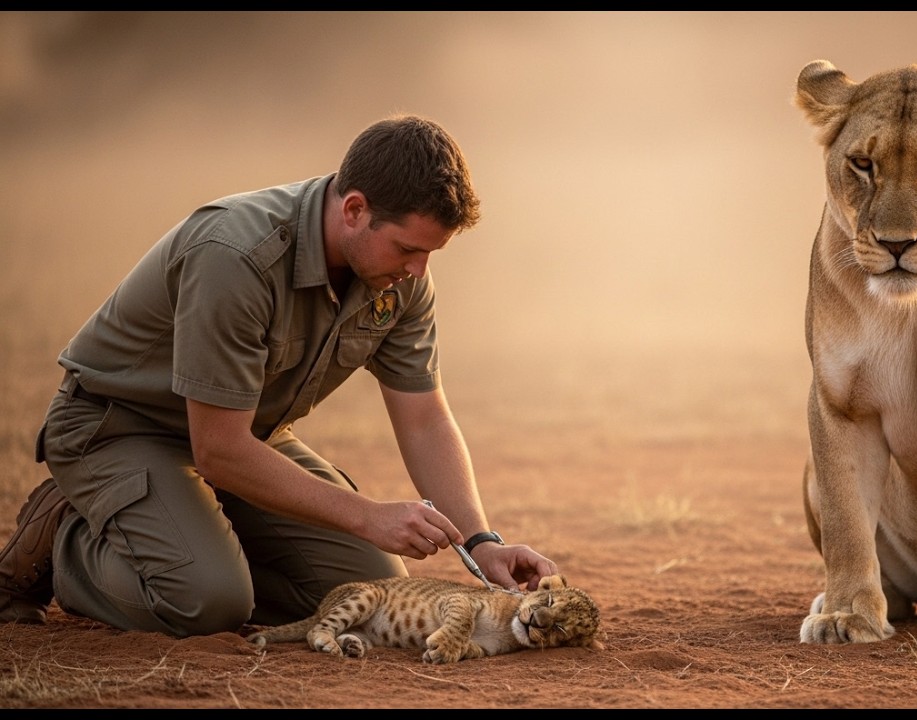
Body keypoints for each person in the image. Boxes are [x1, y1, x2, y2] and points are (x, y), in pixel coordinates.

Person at [0, 114, 557, 636]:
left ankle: (189, 539)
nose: (419, 271)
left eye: (431, 253)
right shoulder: (236, 255)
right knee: (205, 603)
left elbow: (424, 419)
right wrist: (367, 515)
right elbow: (217, 448)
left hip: (245, 437)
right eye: (409, 248)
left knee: (366, 591)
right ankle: (68, 539)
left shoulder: (399, 277)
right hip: (118, 429)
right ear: (355, 209)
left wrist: (482, 543)